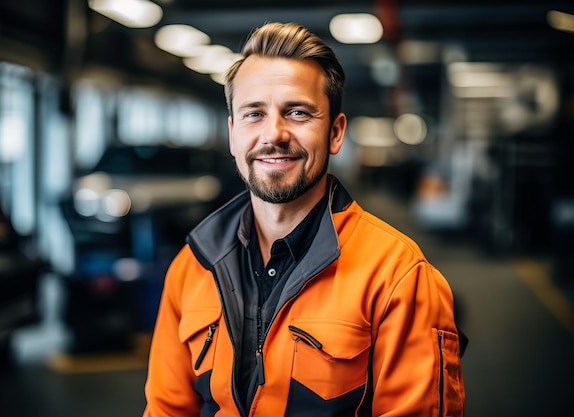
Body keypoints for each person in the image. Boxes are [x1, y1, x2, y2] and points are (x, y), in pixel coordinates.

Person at [143, 22, 466, 417]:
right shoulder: (191, 267)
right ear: (232, 134)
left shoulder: (398, 277)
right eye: (253, 113)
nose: (274, 133)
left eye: (297, 112)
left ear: (335, 132)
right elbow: (166, 409)